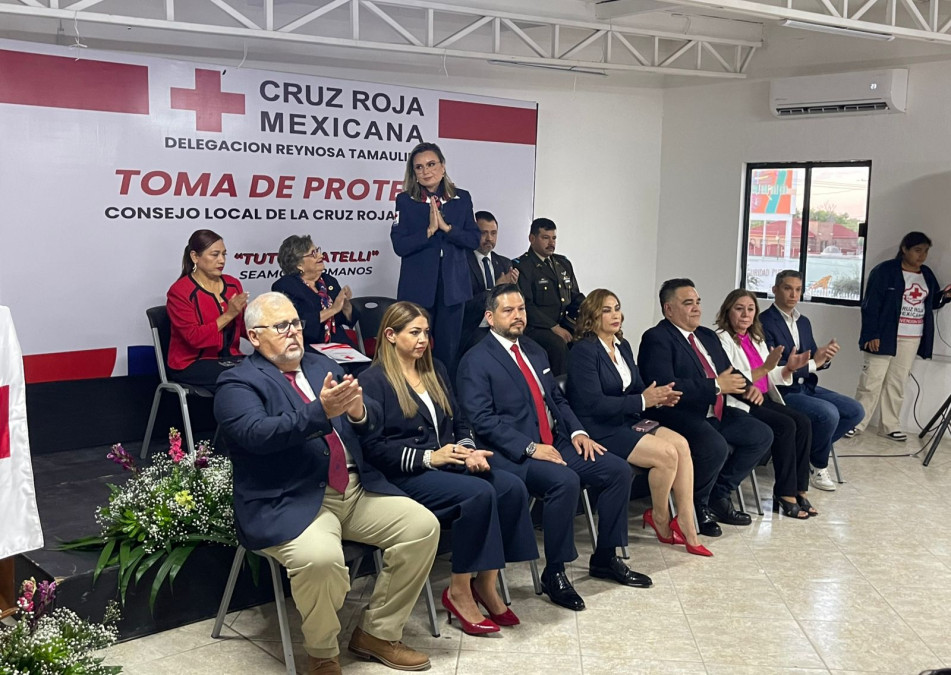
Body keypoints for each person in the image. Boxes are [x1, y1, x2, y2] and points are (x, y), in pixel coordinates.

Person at [214, 293, 439, 675]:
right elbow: (257, 434)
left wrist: (357, 411)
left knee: (422, 527)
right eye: (281, 326)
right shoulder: (237, 383)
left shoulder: (322, 364)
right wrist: (321, 412)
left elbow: (370, 422)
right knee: (320, 559)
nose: (294, 333)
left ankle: (378, 634)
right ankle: (322, 653)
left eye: (297, 324)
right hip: (290, 498)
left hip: (353, 489)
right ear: (254, 335)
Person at [457, 284, 651, 613]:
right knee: (565, 481)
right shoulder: (476, 360)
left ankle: (605, 557)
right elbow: (483, 421)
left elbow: (556, 398)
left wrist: (577, 430)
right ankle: (555, 572)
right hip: (511, 451)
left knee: (617, 470)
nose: (518, 316)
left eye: (521, 309)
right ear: (490, 318)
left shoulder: (534, 349)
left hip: (556, 440)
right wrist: (531, 447)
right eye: (509, 311)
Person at [358, 301, 537, 635]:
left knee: (511, 487)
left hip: (448, 463)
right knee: (480, 495)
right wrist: (431, 458)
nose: (423, 339)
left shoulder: (435, 369)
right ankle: (458, 590)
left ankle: (486, 582)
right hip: (406, 475)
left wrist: (468, 452)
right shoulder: (373, 380)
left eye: (425, 331)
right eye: (414, 332)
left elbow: (461, 422)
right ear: (390, 335)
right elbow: (375, 449)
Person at [566, 289, 712, 556]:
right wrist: (643, 401)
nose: (615, 315)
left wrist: (659, 397)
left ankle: (686, 521)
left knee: (681, 444)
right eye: (606, 310)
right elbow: (593, 405)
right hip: (599, 428)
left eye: (617, 308)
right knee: (667, 454)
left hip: (628, 420)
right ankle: (660, 518)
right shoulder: (583, 351)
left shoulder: (622, 346)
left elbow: (637, 387)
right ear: (591, 315)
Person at [637, 279, 773, 537]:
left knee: (761, 434)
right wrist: (715, 387)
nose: (697, 309)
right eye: (688, 303)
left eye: (698, 302)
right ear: (668, 309)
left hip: (715, 410)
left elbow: (727, 373)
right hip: (678, 413)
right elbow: (666, 384)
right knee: (714, 446)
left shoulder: (707, 336)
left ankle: (718, 495)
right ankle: (696, 507)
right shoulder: (657, 338)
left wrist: (747, 389)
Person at [715, 289, 816, 519]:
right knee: (785, 425)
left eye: (750, 309)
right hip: (740, 402)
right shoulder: (721, 338)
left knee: (803, 422)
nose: (745, 314)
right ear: (728, 311)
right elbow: (734, 377)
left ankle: (800, 490)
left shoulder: (755, 337)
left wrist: (788, 368)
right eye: (739, 309)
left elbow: (768, 375)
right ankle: (785, 493)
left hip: (763, 398)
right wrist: (767, 368)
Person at [760, 270, 864, 491]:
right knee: (828, 413)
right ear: (775, 290)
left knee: (855, 410)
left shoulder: (803, 322)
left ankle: (805, 454)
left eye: (798, 289)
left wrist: (824, 357)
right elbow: (774, 368)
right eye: (788, 288)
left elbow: (813, 357)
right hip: (782, 390)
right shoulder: (763, 322)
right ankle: (818, 465)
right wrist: (814, 362)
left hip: (806, 386)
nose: (793, 294)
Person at [391, 142, 480, 371]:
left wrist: (448, 229)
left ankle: (445, 402)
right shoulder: (405, 201)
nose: (426, 171)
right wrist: (429, 231)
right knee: (413, 352)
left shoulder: (462, 198)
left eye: (431, 164)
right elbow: (399, 245)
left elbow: (473, 240)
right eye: (419, 167)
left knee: (448, 354)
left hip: (453, 288)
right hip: (418, 289)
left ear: (442, 167)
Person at [854, 232, 951, 441]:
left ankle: (889, 426)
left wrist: (944, 296)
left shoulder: (926, 273)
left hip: (911, 337)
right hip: (884, 335)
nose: (922, 256)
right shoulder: (885, 271)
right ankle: (857, 423)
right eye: (918, 250)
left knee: (897, 382)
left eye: (925, 251)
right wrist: (872, 333)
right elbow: (870, 305)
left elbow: (931, 302)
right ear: (905, 249)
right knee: (871, 381)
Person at [166, 229, 249, 391]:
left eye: (224, 254)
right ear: (195, 257)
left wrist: (272, 331)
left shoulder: (233, 284)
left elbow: (245, 327)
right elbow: (194, 338)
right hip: (190, 364)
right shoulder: (180, 291)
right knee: (243, 377)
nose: (221, 260)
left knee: (270, 368)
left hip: (230, 358)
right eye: (215, 254)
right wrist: (229, 314)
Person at [514, 218, 584, 376]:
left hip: (561, 323)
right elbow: (526, 305)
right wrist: (553, 327)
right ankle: (561, 391)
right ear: (532, 239)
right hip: (536, 327)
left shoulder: (563, 263)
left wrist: (594, 310)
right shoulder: (522, 266)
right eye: (545, 238)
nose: (551, 243)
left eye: (554, 238)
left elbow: (574, 297)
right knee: (558, 345)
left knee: (587, 339)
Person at [271, 234, 360, 352]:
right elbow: (297, 324)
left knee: (369, 368)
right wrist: (332, 310)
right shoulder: (285, 286)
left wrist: (345, 303)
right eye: (313, 253)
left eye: (317, 251)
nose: (321, 255)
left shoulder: (329, 281)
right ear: (299, 265)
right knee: (337, 369)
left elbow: (348, 320)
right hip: (308, 348)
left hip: (339, 345)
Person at [460, 210, 519, 356]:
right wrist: (494, 289)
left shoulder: (505, 263)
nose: (489, 238)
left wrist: (512, 289)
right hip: (473, 329)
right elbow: (464, 307)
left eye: (493, 233)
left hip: (502, 329)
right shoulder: (461, 262)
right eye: (483, 233)